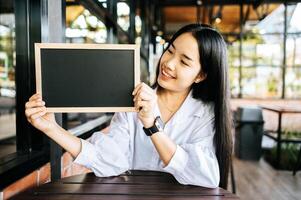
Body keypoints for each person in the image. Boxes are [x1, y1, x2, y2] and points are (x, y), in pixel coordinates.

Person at [25, 24, 233, 189]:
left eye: (184, 62)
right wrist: (51, 128)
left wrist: (152, 126)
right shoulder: (133, 100)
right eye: (170, 51)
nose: (168, 63)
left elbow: (206, 176)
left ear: (201, 75)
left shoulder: (206, 113)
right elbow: (109, 160)